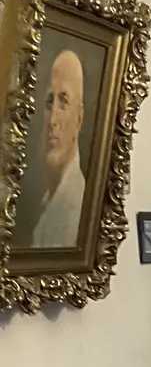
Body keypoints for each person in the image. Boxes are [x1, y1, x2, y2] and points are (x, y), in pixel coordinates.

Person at [15, 49, 86, 249]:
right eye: (49, 102)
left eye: (64, 102)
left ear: (79, 119)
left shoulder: (76, 208)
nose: (53, 119)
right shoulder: (48, 201)